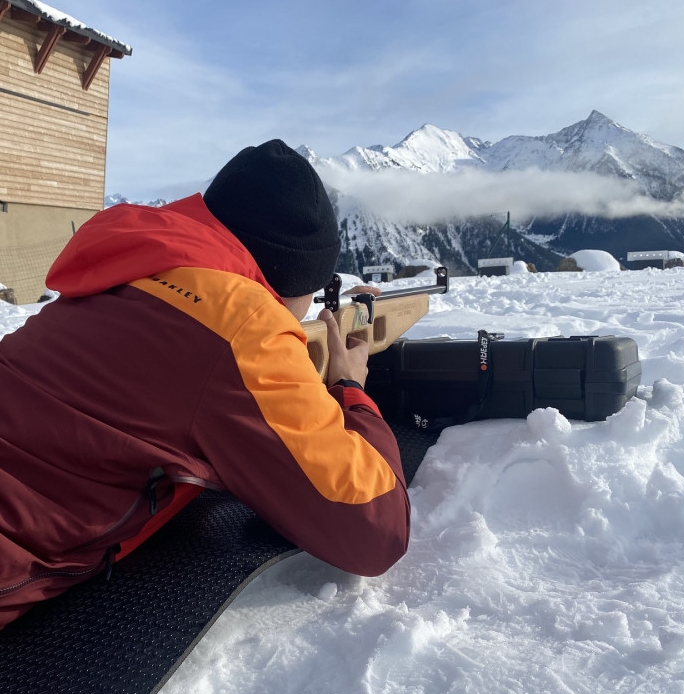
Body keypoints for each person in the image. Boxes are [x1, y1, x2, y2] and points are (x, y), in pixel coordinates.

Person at [0, 140, 410, 629]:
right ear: (291, 277)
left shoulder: (127, 266)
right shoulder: (241, 326)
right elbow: (375, 530)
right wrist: (350, 389)